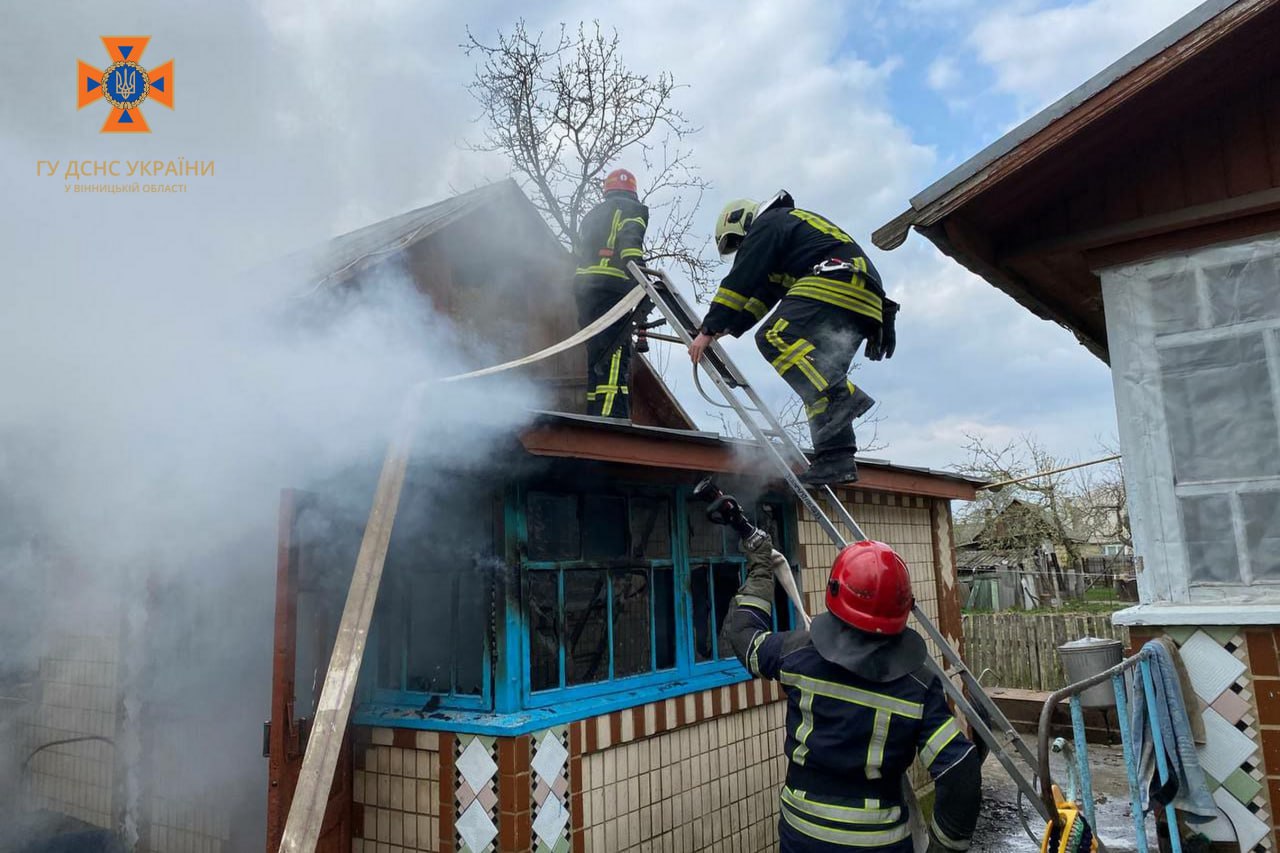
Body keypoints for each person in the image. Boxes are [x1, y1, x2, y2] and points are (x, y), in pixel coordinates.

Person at [719, 532, 982, 852]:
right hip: (879, 840)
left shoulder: (797, 654)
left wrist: (760, 568)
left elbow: (745, 637)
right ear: (904, 606)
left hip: (803, 834)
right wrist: (943, 847)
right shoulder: (918, 685)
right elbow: (960, 770)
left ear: (835, 591)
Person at [689, 192, 898, 485]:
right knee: (814, 381)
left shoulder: (769, 222)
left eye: (739, 242)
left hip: (835, 280)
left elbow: (741, 279)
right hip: (861, 297)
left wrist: (707, 329)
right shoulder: (789, 234)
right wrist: (729, 326)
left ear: (743, 222)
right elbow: (763, 295)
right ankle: (835, 457)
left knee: (775, 336)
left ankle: (844, 395)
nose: (742, 249)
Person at [573, 168, 649, 419]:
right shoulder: (632, 209)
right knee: (615, 355)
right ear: (633, 193)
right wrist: (644, 281)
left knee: (597, 359)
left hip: (585, 295)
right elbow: (630, 245)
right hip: (613, 291)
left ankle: (595, 413)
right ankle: (609, 421)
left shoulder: (592, 216)